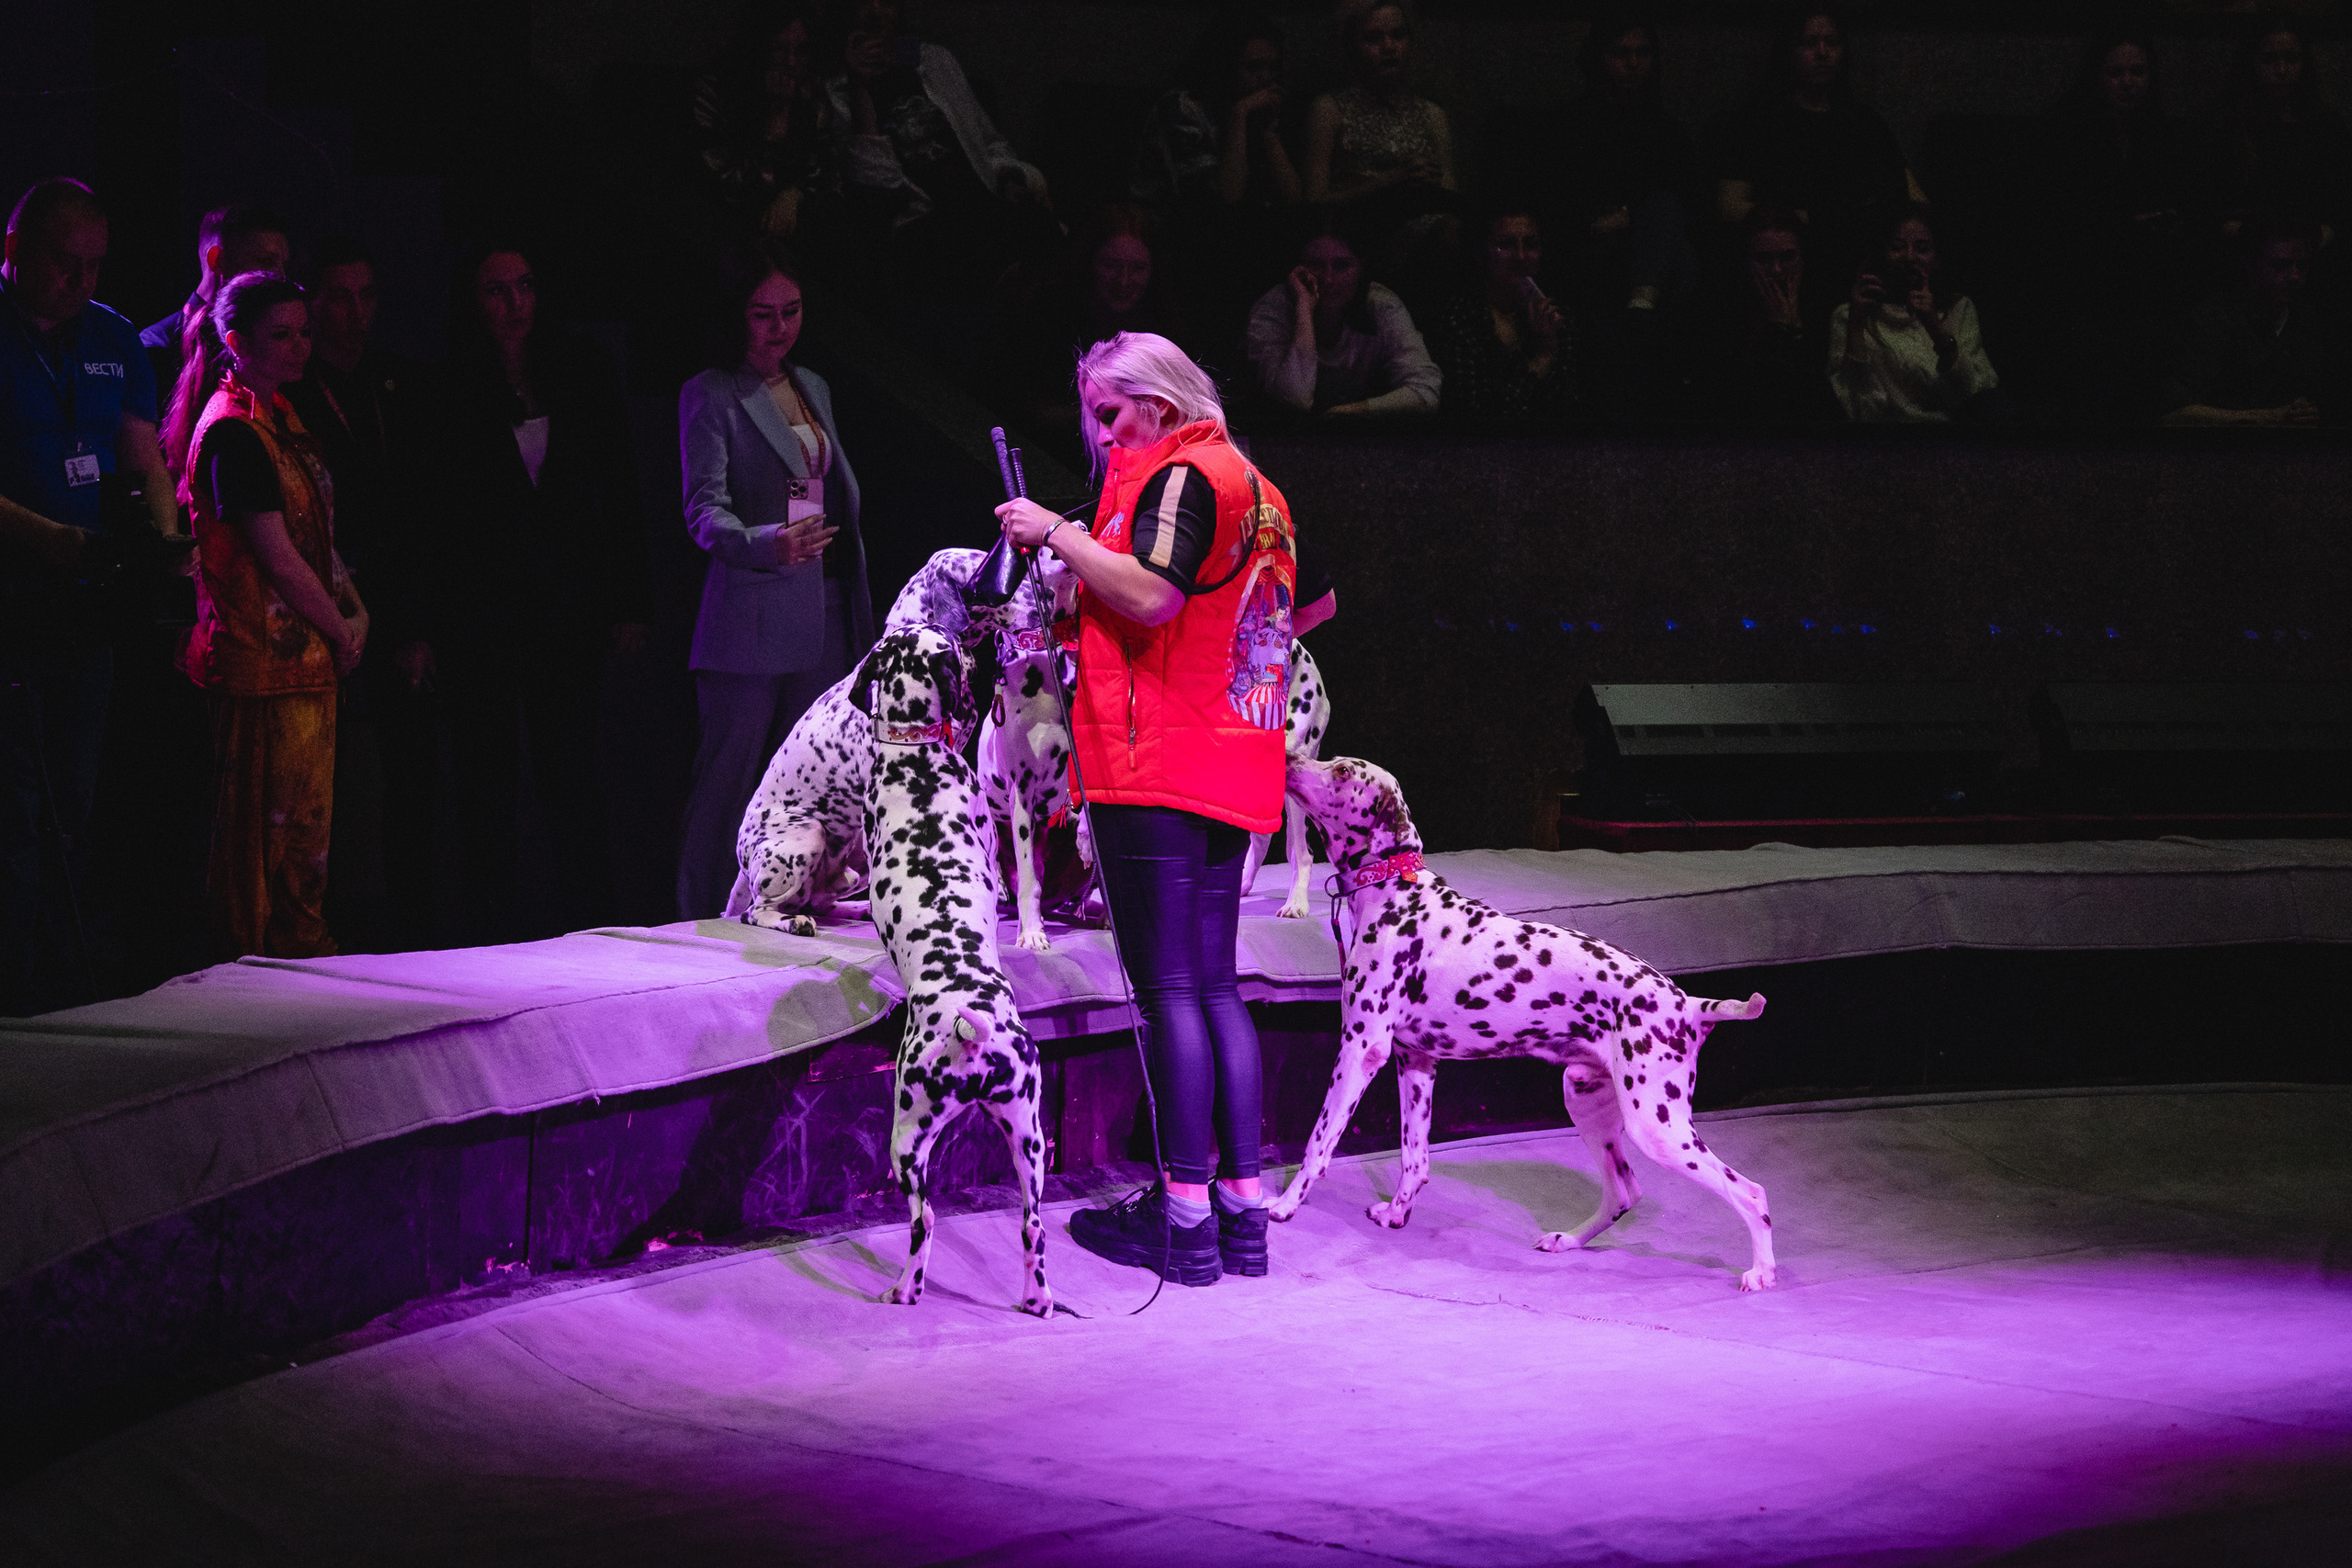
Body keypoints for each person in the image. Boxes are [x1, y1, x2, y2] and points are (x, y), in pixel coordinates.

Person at [993, 332, 1295, 1285]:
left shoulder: (1183, 477)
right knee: (1212, 988)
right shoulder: (1255, 484)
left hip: (1161, 756)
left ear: (1157, 406)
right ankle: (1239, 1214)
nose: (1101, 433)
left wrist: (1058, 534)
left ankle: (1184, 1217)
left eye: (1110, 413)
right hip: (1234, 756)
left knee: (1172, 992)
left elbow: (1155, 596)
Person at [0, 177, 182, 1012]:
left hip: (89, 602)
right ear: (15, 249)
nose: (82, 282)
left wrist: (164, 544)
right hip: (13, 596)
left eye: (95, 265)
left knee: (72, 798)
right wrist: (52, 536)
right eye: (64, 263)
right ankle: (18, 989)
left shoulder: (111, 337)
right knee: (17, 804)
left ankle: (62, 982)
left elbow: (143, 458)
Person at [437, 241, 651, 942]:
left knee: (573, 770)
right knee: (488, 776)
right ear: (473, 299)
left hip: (568, 602)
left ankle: (594, 924)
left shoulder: (581, 367)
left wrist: (629, 599)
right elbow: (431, 506)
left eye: (525, 284)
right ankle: (492, 932)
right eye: (497, 289)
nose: (514, 302)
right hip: (485, 611)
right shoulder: (451, 377)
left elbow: (619, 487)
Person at [163, 271, 366, 959]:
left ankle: (304, 970)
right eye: (281, 335)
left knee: (304, 848)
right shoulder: (233, 431)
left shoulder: (283, 418)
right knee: (256, 852)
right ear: (234, 341)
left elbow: (317, 538)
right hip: (259, 667)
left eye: (304, 332)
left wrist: (354, 611)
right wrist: (341, 630)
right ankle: (246, 989)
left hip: (307, 667)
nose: (301, 346)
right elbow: (277, 558)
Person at [674, 245, 874, 919]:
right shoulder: (711, 392)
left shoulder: (812, 384)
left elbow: (824, 490)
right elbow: (703, 511)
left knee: (812, 785)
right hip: (750, 616)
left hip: (819, 608)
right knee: (729, 784)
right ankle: (697, 916)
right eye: (763, 315)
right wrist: (768, 542)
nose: (779, 327)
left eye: (790, 312)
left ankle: (791, 901)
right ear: (737, 316)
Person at [283, 237, 435, 949]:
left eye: (367, 295)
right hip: (320, 609)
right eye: (338, 296)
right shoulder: (287, 392)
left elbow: (422, 512)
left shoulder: (395, 383)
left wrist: (410, 625)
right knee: (331, 791)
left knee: (411, 786)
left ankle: (413, 938)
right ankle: (329, 935)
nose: (355, 313)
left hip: (395, 611)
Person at [823, 0, 1052, 290]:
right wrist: (860, 85)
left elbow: (989, 143)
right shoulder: (839, 94)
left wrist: (1010, 178)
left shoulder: (934, 62)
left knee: (1044, 231)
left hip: (981, 203)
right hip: (925, 224)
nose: (878, 14)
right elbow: (879, 187)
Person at [1704, 9, 1911, 322]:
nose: (1823, 52)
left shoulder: (1863, 123)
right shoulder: (1756, 122)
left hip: (1856, 256)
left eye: (1832, 42)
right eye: (1810, 42)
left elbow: (1909, 196)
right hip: (1784, 256)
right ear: (1790, 49)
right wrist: (1802, 218)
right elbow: (1728, 205)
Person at [2036, 33, 2196, 423]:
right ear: (2096, 76)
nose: (2128, 82)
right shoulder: (2065, 133)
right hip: (2085, 272)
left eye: (2138, 72)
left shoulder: (2163, 134)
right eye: (2116, 72)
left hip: (2151, 272)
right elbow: (2054, 221)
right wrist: (2124, 227)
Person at [1304, 0, 1457, 265]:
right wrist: (1392, 180)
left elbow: (1451, 197)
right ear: (1350, 45)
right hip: (1354, 235)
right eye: (1373, 38)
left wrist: (1429, 181)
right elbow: (1313, 204)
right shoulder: (1330, 109)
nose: (1389, 47)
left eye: (1398, 35)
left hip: (1427, 231)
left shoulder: (1431, 113)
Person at [2191, 17, 2352, 263]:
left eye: (2292, 59)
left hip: (2310, 255)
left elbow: (2338, 205)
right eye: (2269, 59)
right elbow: (2204, 208)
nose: (2282, 70)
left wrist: (2316, 238)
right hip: (2240, 255)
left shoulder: (2326, 126)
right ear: (2251, 62)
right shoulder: (2223, 125)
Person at [2159, 211, 2339, 427]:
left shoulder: (2306, 318)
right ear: (2250, 265)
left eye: (2302, 266)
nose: (2295, 276)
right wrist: (2267, 418)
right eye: (2280, 265)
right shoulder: (2214, 320)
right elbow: (2172, 412)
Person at [1242, 225, 1441, 417]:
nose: (1328, 279)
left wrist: (1355, 411)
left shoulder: (1380, 305)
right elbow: (1295, 400)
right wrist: (1304, 308)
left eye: (1341, 266)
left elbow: (1425, 393)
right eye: (1316, 265)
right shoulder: (1273, 309)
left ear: (1360, 268)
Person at [1827, 206, 2001, 423]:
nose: (1909, 257)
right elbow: (1853, 407)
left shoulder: (1959, 308)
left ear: (1937, 258)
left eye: (1922, 248)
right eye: (1898, 247)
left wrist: (1934, 327)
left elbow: (1977, 393)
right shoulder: (1848, 315)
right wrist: (1856, 324)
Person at [690, 0, 843, 245]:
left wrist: (796, 194)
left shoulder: (808, 89)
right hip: (726, 228)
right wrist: (775, 124)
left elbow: (830, 169)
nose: (791, 62)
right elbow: (728, 190)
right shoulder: (714, 93)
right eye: (778, 50)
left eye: (800, 51)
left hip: (796, 226)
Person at [1129, 6, 1303, 218]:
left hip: (1235, 231)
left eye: (1272, 67)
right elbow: (1221, 201)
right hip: (1168, 227)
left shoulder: (1262, 109)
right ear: (1224, 65)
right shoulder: (1182, 107)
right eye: (1253, 68)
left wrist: (1268, 133)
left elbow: (1293, 199)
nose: (1266, 78)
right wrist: (1239, 116)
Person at [1421, 203, 1576, 421]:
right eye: (1506, 245)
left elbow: (1566, 404)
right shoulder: (1461, 319)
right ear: (1480, 254)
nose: (1521, 256)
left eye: (1531, 245)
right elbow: (1478, 414)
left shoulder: (1551, 314)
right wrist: (1543, 357)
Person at [1689, 205, 1839, 422]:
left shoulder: (1821, 306)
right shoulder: (1719, 313)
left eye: (1787, 257)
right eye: (1763, 259)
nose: (1776, 270)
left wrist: (1796, 330)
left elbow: (1824, 405)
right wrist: (1777, 330)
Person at [139, 204, 291, 396]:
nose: (281, 276)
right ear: (217, 260)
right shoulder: (158, 347)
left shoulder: (275, 341)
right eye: (265, 261)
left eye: (283, 264)